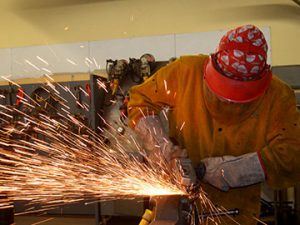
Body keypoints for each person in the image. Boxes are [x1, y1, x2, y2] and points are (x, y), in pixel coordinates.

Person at [127, 24, 300, 225]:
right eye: (223, 93)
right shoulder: (186, 72)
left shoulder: (278, 97)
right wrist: (162, 149)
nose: (228, 102)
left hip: (236, 211)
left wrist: (234, 171)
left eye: (239, 98)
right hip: (176, 200)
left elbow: (293, 152)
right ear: (213, 64)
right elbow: (140, 100)